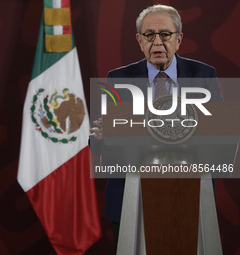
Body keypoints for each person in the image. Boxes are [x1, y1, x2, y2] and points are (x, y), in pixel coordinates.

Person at [89, 4, 222, 251]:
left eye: (165, 34)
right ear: (139, 40)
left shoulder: (203, 75)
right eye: (149, 35)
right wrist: (102, 135)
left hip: (190, 196)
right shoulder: (119, 79)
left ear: (179, 39)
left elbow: (221, 136)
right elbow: (97, 143)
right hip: (130, 198)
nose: (157, 42)